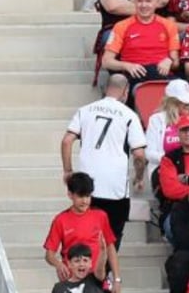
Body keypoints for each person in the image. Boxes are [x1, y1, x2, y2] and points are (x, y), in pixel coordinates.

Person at [62, 75, 147, 246]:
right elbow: (139, 154)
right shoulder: (129, 115)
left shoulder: (85, 110)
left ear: (106, 88)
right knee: (112, 236)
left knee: (87, 233)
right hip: (115, 187)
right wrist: (139, 177)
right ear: (126, 91)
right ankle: (107, 271)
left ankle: (89, 270)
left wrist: (68, 171)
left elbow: (67, 141)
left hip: (88, 186)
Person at [102, 0, 179, 92]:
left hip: (162, 76)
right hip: (135, 76)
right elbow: (106, 61)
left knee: (183, 86)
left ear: (156, 3)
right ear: (134, 2)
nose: (144, 5)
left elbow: (176, 62)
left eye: (148, 1)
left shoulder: (168, 25)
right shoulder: (121, 26)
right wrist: (127, 66)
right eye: (140, 1)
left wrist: (169, 61)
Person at [144, 79, 189, 176]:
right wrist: (174, 160)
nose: (188, 104)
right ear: (171, 102)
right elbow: (149, 153)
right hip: (166, 168)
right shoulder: (156, 119)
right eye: (184, 101)